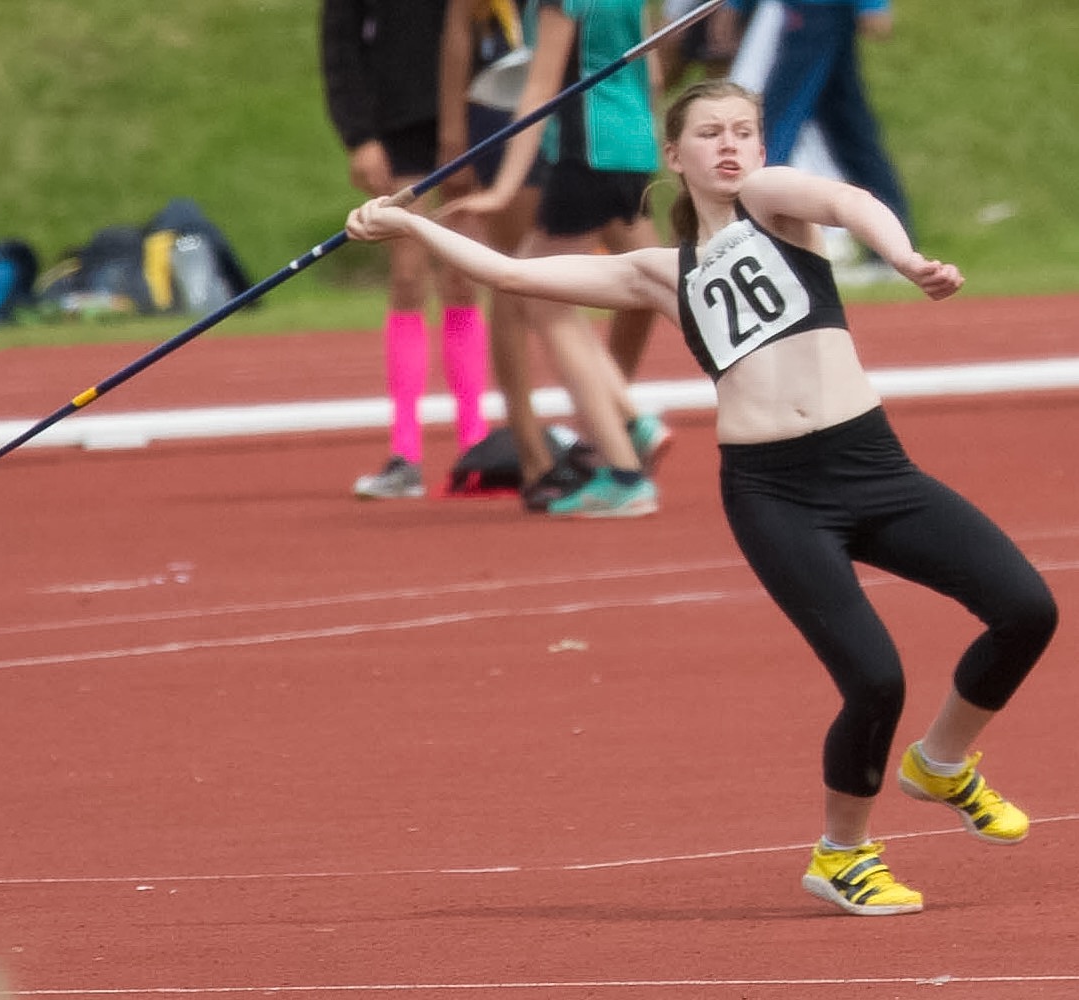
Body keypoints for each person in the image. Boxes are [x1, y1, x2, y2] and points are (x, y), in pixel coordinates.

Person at [345, 80, 1059, 913]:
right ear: (673, 157)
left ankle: (940, 763)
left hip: (873, 466)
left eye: (743, 131)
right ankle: (841, 856)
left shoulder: (773, 203)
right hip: (775, 493)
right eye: (710, 133)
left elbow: (850, 201)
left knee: (1025, 609)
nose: (729, 146)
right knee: (873, 678)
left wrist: (901, 259)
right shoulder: (659, 272)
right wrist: (408, 224)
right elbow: (513, 272)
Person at [441, 0, 672, 516]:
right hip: (632, 146)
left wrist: (503, 189)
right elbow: (653, 74)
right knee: (544, 283)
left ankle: (625, 469)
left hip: (584, 152)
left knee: (542, 299)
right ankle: (630, 421)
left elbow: (540, 89)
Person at [320, 0, 490, 499]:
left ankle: (475, 443)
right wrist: (359, 136)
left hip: (469, 118)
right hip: (399, 123)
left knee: (462, 277)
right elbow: (340, 44)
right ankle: (406, 452)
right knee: (408, 277)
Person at [724, 0, 912, 277]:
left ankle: (752, 240)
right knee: (848, 130)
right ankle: (892, 249)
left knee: (778, 129)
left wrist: (871, 6)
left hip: (812, 14)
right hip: (814, 13)